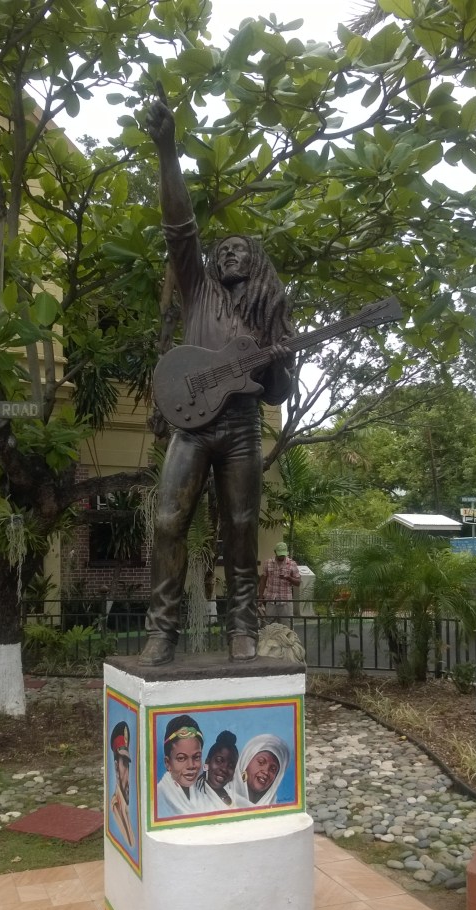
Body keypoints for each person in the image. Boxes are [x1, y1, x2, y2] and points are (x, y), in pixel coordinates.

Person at [140, 98, 295, 667]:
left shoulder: (268, 318)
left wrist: (279, 359)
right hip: (191, 427)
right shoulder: (198, 292)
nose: (228, 252)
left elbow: (277, 393)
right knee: (167, 520)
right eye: (221, 250)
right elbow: (179, 227)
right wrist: (166, 150)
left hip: (242, 431)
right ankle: (162, 630)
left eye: (240, 250)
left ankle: (242, 630)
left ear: (256, 266)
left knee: (241, 526)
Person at [156, 714, 204, 817]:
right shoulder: (158, 798)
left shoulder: (205, 793)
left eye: (196, 757)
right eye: (181, 758)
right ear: (168, 763)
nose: (191, 765)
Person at [232, 733, 291, 807]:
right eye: (261, 762)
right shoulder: (221, 798)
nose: (266, 771)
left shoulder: (274, 808)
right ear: (245, 762)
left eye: (273, 769)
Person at [259, 542, 301, 625]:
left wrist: (288, 578)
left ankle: (286, 638)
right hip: (271, 600)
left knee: (287, 626)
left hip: (285, 601)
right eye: (279, 554)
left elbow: (298, 582)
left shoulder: (292, 564)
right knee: (269, 626)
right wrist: (260, 596)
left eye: (283, 554)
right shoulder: (268, 563)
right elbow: (263, 580)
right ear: (275, 552)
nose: (281, 556)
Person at [195, 730, 238, 809]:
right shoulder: (194, 795)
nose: (224, 769)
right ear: (207, 762)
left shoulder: (235, 796)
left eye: (231, 765)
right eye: (219, 760)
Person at [109, 720, 135, 847]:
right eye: (124, 763)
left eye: (127, 765)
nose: (127, 774)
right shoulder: (116, 806)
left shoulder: (126, 807)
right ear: (116, 768)